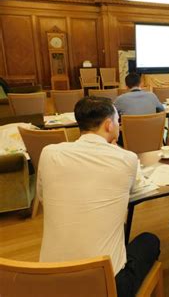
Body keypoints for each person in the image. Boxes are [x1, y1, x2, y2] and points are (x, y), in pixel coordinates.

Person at [37, 97, 160, 297]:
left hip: (51, 280)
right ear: (109, 124)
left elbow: (43, 198)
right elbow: (140, 190)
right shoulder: (126, 158)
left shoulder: (49, 153)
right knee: (150, 240)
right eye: (117, 121)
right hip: (106, 286)